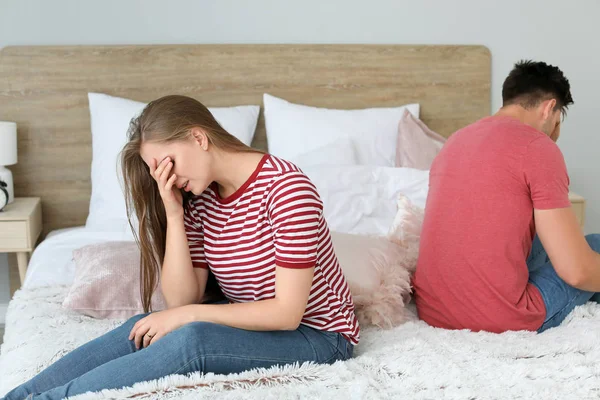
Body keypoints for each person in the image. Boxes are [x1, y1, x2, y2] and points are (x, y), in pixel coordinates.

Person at [2, 95, 359, 400]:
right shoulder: (201, 200)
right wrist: (174, 213)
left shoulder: (287, 189)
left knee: (191, 338)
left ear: (198, 137)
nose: (167, 176)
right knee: (147, 327)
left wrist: (188, 316)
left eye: (168, 163)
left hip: (319, 336)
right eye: (158, 170)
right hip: (256, 325)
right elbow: (181, 301)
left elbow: (286, 314)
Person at [413, 60, 600, 334]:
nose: (555, 134)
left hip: (434, 311)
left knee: (544, 237)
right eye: (558, 122)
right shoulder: (538, 147)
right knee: (593, 246)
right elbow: (577, 271)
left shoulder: (455, 141)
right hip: (498, 320)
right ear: (550, 108)